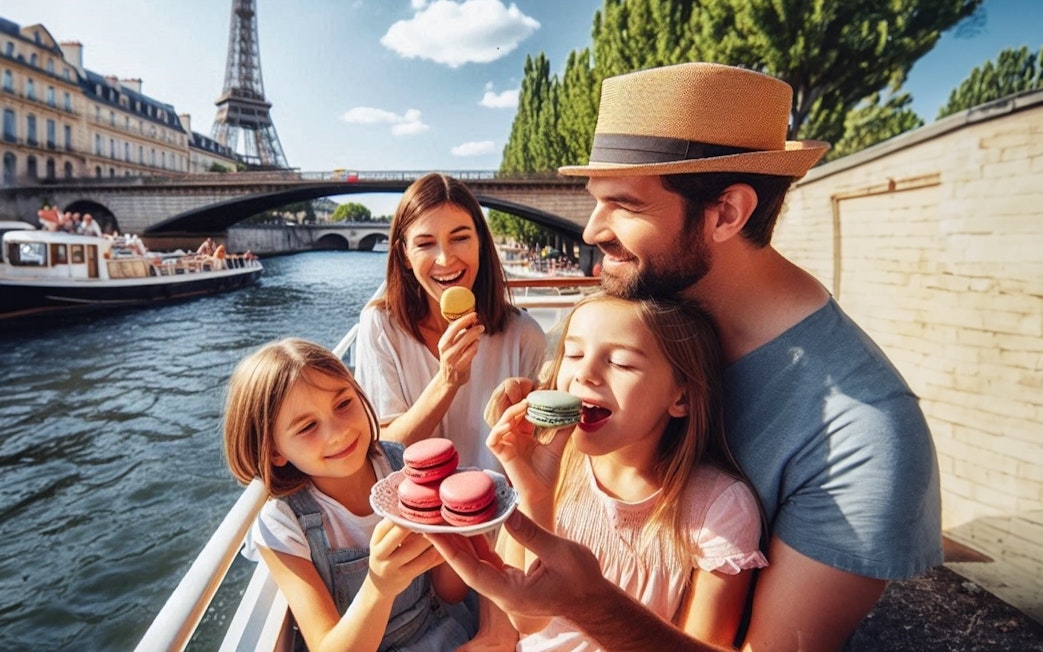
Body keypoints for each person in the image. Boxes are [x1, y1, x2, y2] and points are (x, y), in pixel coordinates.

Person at [430, 62, 943, 650]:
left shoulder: (868, 438)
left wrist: (592, 607)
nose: (592, 230)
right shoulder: (627, 327)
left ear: (727, 212)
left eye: (624, 204)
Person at [488, 293, 766, 649]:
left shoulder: (718, 507)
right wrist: (534, 495)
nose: (584, 374)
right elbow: (528, 620)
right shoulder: (544, 466)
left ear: (681, 397)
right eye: (573, 354)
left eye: (620, 363)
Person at [223, 338, 474, 651]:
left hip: (440, 629)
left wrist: (452, 529)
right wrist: (380, 587)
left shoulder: (401, 467)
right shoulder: (283, 524)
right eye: (307, 427)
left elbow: (451, 593)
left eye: (343, 404)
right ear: (275, 452)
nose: (338, 432)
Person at [354, 172, 546, 472]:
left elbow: (539, 456)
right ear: (404, 255)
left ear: (481, 242)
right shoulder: (379, 326)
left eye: (460, 238)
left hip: (501, 514)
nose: (445, 259)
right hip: (413, 516)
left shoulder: (524, 335)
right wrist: (447, 381)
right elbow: (385, 453)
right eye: (425, 244)